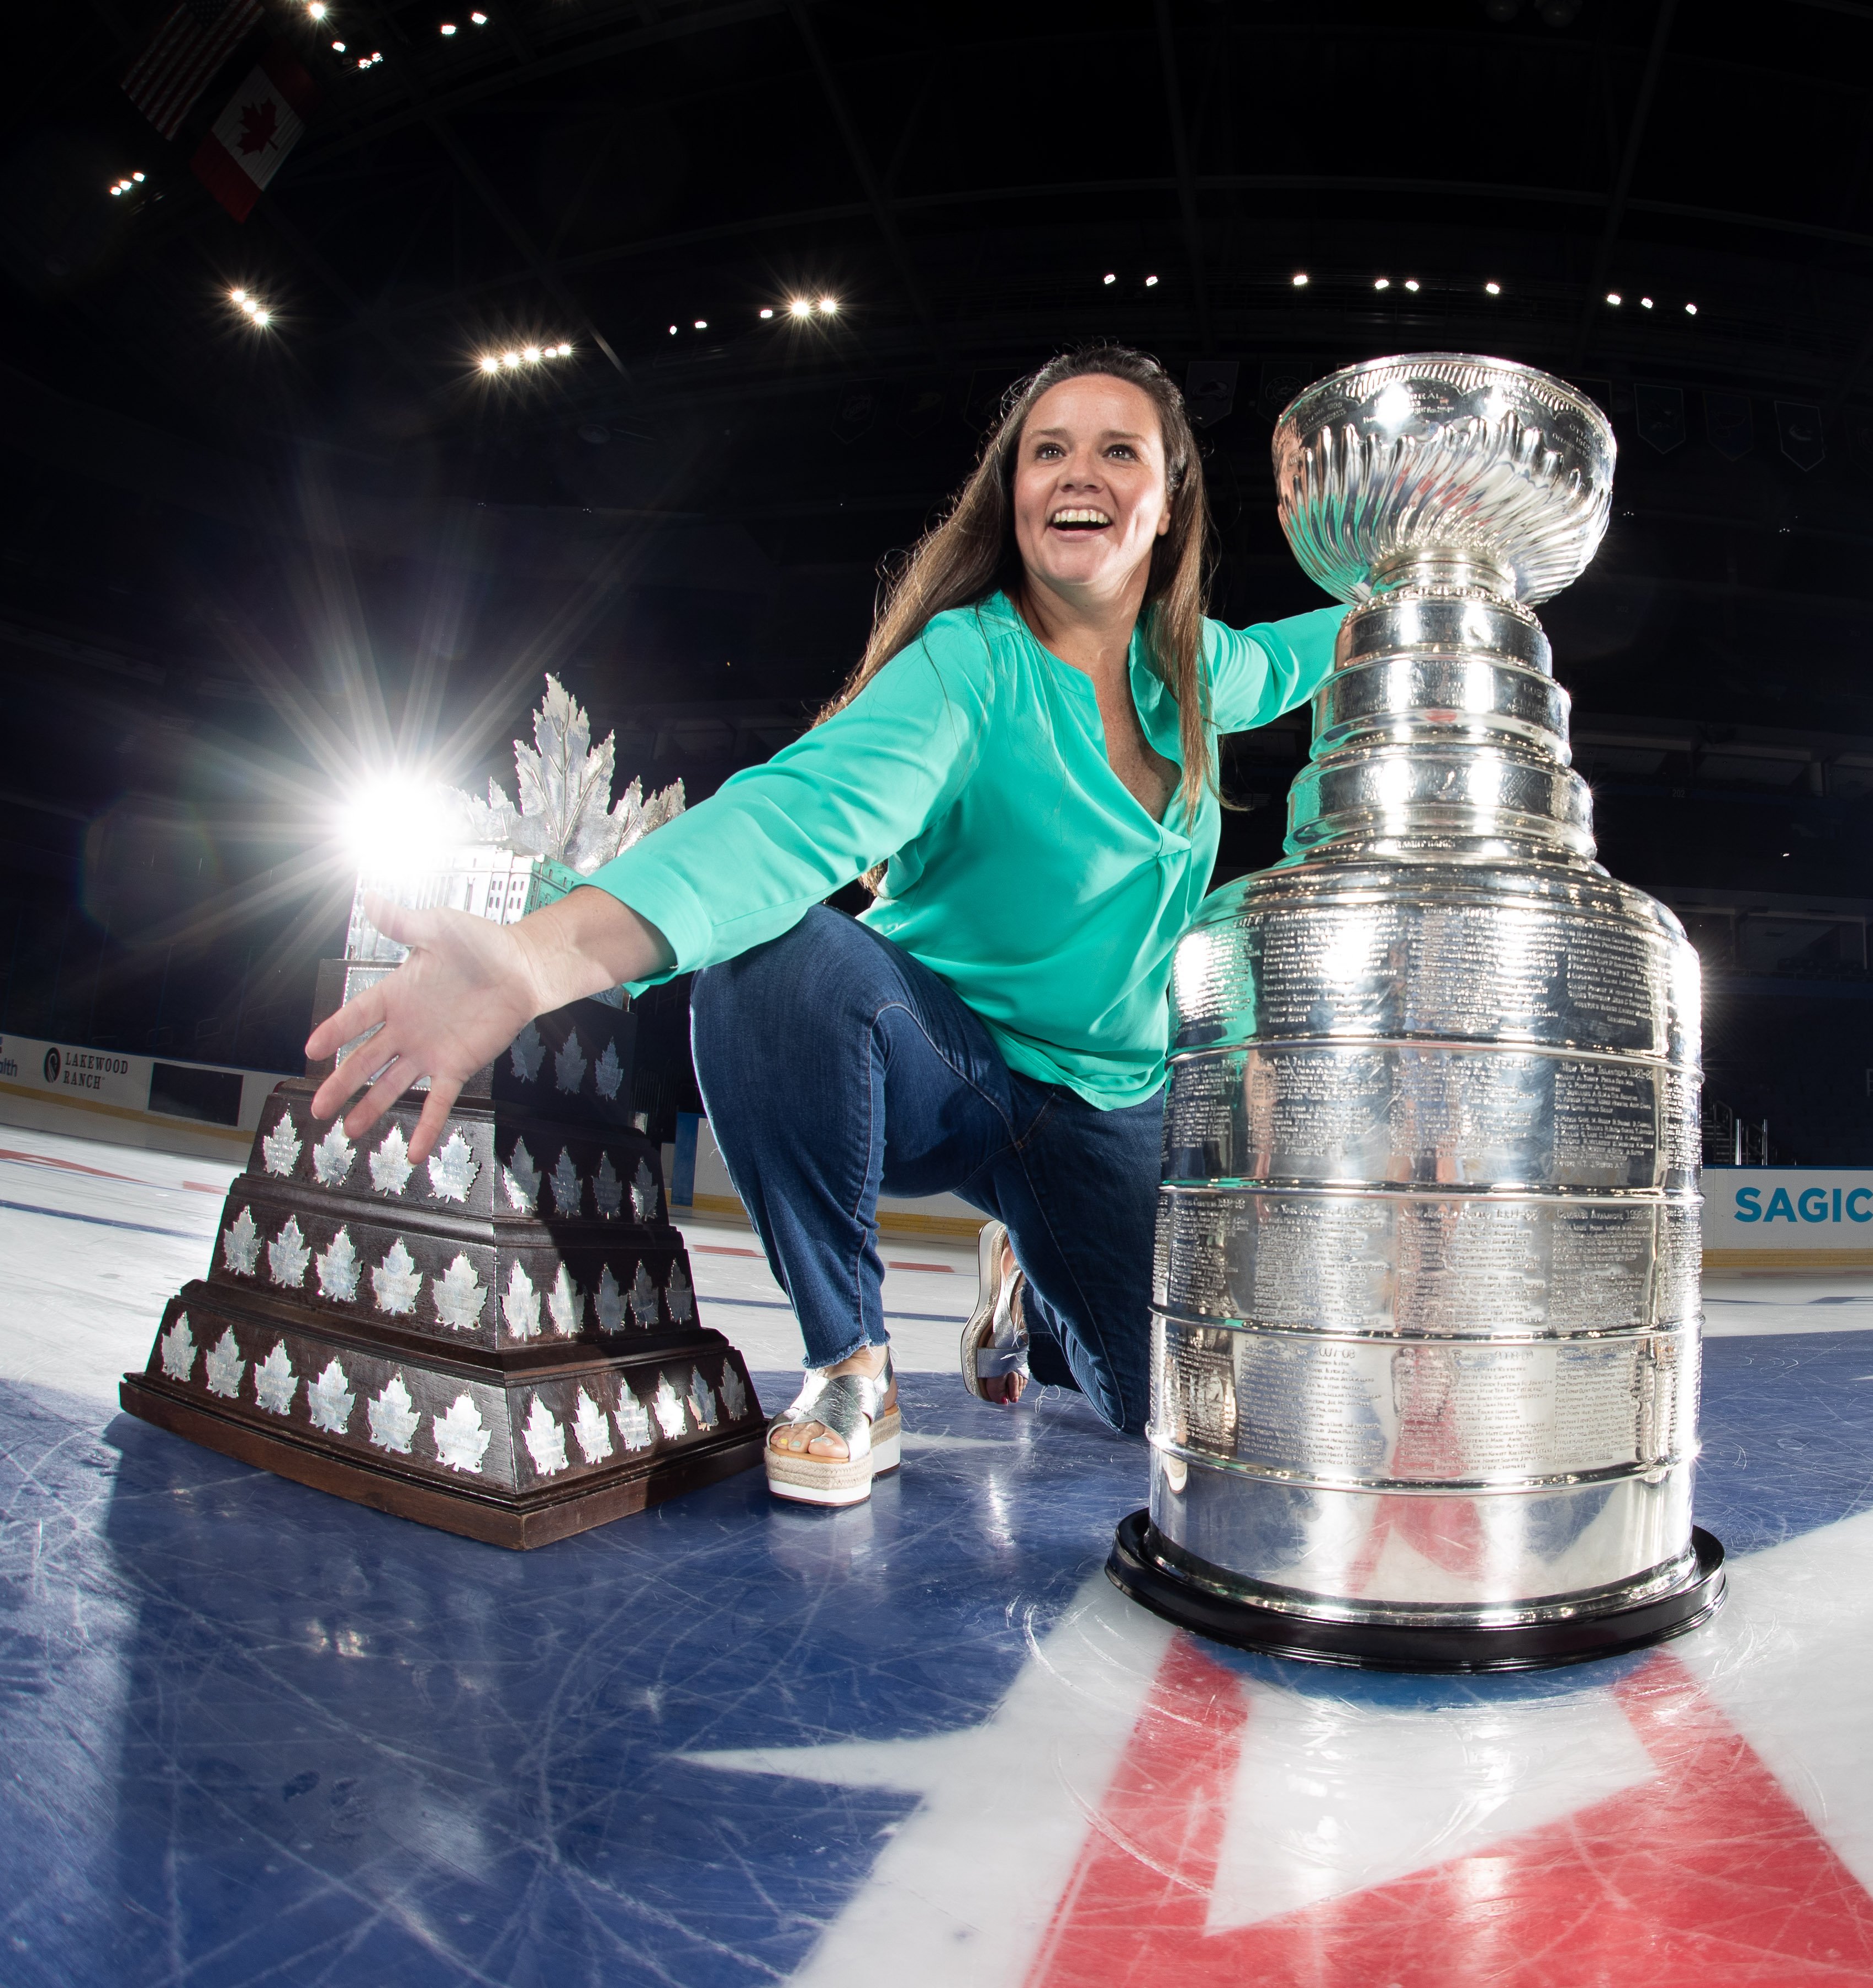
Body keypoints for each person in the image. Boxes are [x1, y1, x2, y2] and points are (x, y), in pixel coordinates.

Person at [302, 346, 1344, 1507]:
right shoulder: (968, 668)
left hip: (1108, 1100)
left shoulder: (1200, 670)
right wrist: (540, 959)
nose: (1075, 474)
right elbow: (789, 823)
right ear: (1014, 492)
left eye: (1116, 451)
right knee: (776, 956)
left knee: (1169, 1417)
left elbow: (1336, 642)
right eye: (1046, 451)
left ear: (1168, 499)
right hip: (933, 1061)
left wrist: (1457, 584)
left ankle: (1025, 1283)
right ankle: (850, 1365)